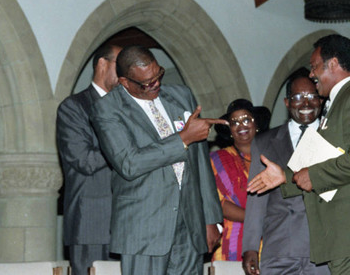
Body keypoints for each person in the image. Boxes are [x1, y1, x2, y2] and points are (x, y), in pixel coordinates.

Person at [247, 34, 350, 274]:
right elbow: (331, 158)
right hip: (346, 240)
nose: (311, 75)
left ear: (332, 64)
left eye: (314, 67)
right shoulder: (339, 103)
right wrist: (286, 177)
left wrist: (313, 175)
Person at [90, 45, 226, 275]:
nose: (155, 85)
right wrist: (182, 139)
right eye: (146, 83)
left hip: (190, 223)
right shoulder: (107, 109)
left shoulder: (181, 96)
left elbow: (200, 161)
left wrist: (211, 218)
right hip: (144, 228)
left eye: (158, 76)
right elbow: (129, 163)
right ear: (124, 82)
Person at [56, 44, 122, 275]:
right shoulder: (74, 107)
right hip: (91, 221)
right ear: (103, 64)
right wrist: (123, 141)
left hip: (128, 222)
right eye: (120, 64)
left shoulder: (127, 108)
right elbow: (84, 160)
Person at [210, 99, 270, 261]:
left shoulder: (272, 157)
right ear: (229, 129)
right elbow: (218, 204)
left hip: (273, 243)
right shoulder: (217, 160)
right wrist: (260, 219)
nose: (241, 125)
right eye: (234, 122)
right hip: (232, 245)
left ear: (256, 124)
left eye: (246, 119)